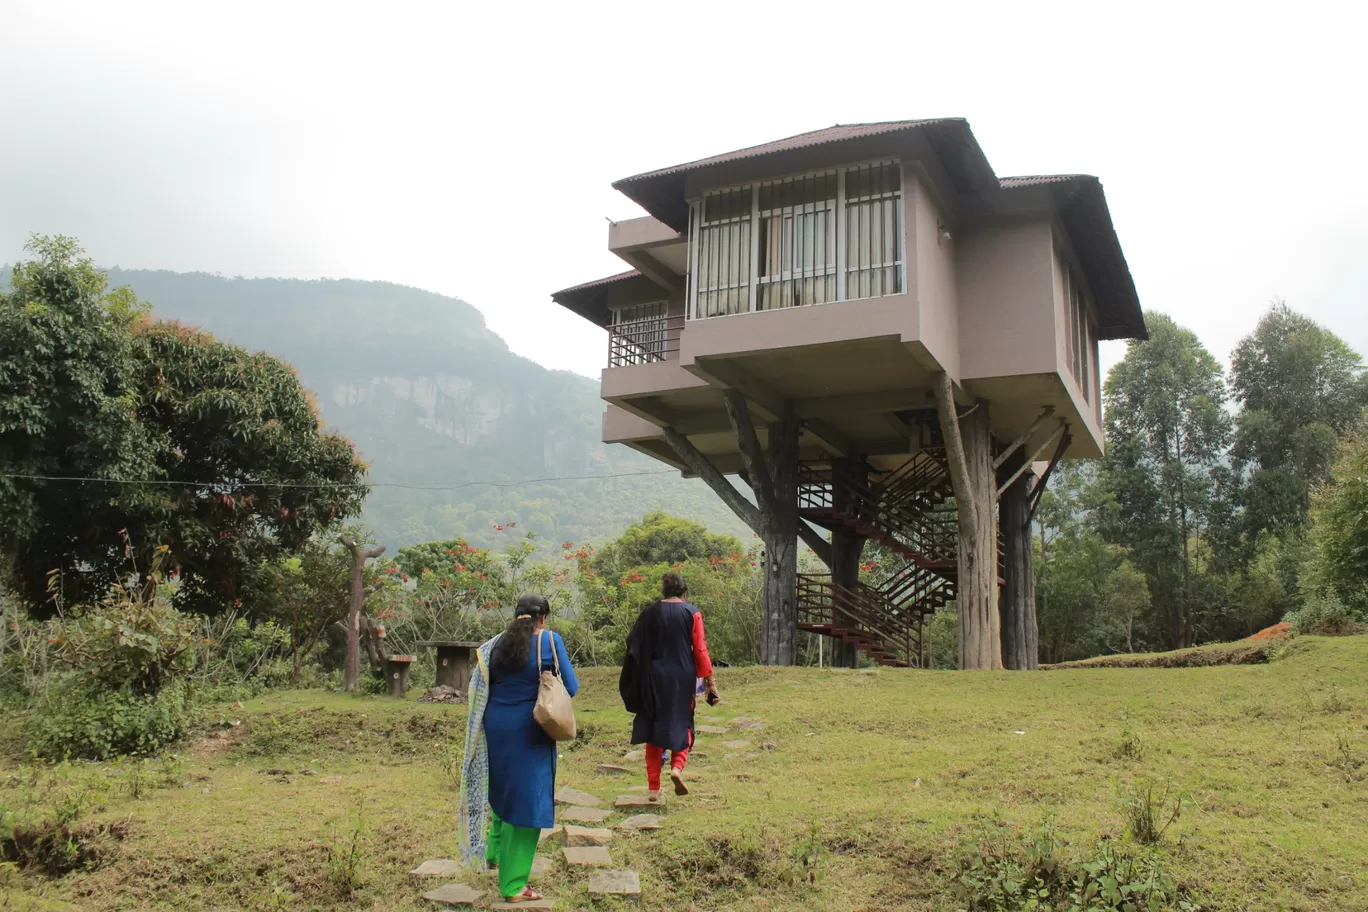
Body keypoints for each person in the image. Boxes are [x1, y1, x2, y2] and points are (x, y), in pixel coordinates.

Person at [459, 593, 578, 904]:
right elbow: (572, 686)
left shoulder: (494, 645)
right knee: (529, 801)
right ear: (543, 618)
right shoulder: (549, 641)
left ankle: (494, 854)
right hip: (530, 728)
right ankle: (513, 885)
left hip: (495, 725)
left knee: (505, 788)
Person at [620, 572, 720, 800]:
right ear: (684, 594)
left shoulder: (650, 612)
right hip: (683, 676)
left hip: (653, 677)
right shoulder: (691, 612)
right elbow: (701, 649)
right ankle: (676, 768)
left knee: (655, 727)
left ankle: (654, 788)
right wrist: (710, 683)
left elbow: (633, 645)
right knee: (683, 722)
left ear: (663, 593)